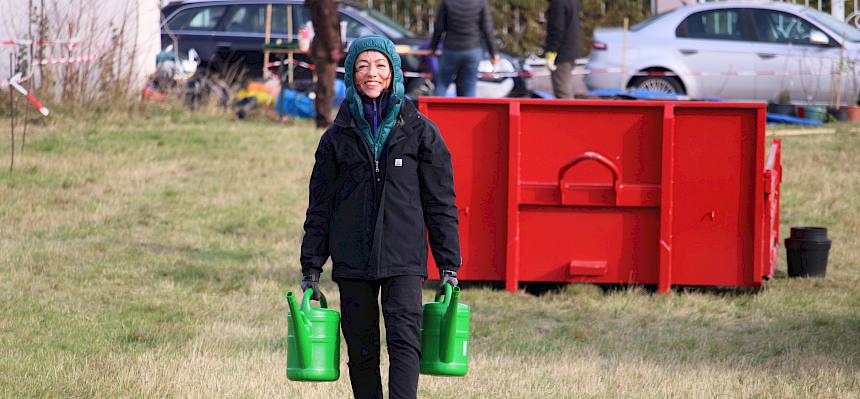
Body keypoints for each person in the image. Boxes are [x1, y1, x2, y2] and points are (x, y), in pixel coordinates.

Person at [299, 35, 462, 399]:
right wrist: (311, 267)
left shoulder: (421, 133)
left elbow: (441, 204)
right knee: (361, 349)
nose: (371, 73)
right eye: (362, 66)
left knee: (405, 343)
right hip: (352, 258)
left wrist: (449, 264)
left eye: (379, 65)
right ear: (351, 75)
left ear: (393, 72)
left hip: (403, 257)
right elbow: (319, 208)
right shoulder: (335, 138)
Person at [430, 0, 500, 97]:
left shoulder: (447, 2)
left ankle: (434, 106)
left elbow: (439, 27)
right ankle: (468, 107)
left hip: (451, 49)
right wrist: (493, 52)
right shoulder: (480, 2)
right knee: (469, 87)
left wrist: (433, 47)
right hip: (472, 49)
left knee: (442, 84)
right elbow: (487, 29)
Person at [307, 0, 342, 127]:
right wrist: (333, 48)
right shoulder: (325, 3)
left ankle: (323, 117)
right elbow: (327, 27)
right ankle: (324, 118)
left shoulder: (322, 3)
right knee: (326, 86)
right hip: (325, 50)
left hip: (322, 48)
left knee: (324, 85)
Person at [543, 0, 581, 99]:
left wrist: (551, 51)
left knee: (563, 92)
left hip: (561, 53)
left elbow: (557, 28)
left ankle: (569, 110)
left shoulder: (558, 2)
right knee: (565, 89)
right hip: (570, 50)